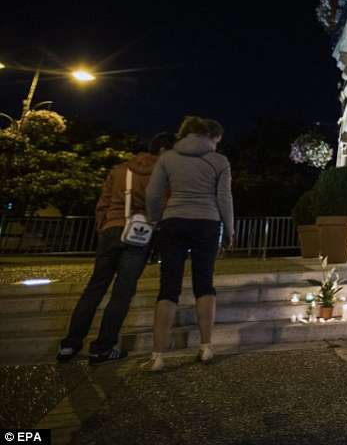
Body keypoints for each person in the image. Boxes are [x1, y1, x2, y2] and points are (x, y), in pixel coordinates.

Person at [57, 132, 177, 365]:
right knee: (122, 292)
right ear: (164, 152)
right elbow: (163, 207)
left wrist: (103, 228)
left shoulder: (119, 169)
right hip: (138, 234)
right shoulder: (162, 176)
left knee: (94, 288)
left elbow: (102, 204)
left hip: (111, 229)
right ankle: (102, 348)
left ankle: (69, 345)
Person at [142, 116, 234, 371]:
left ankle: (158, 355)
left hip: (173, 220)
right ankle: (206, 346)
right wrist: (229, 230)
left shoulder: (168, 158)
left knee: (168, 286)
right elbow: (224, 198)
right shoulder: (219, 161)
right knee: (204, 283)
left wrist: (155, 219)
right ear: (209, 136)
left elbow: (152, 192)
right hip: (207, 222)